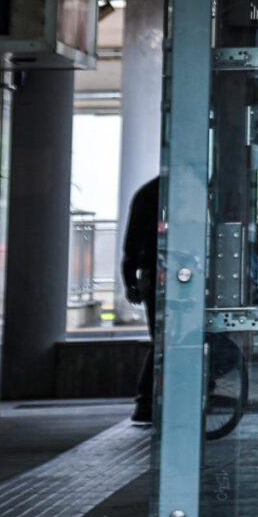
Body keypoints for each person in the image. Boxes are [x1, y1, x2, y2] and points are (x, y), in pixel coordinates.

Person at [121, 174, 161, 424]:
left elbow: (131, 244)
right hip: (162, 274)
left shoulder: (147, 192)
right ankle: (146, 400)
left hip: (152, 275)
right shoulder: (161, 191)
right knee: (164, 340)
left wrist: (131, 282)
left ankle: (146, 401)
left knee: (161, 339)